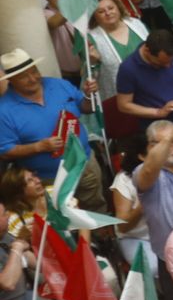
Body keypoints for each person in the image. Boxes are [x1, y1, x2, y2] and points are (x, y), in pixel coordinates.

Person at [0, 49, 104, 206]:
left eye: (34, 71)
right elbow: (5, 152)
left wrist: (89, 96)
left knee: (96, 208)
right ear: (11, 80)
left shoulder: (59, 85)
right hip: (48, 179)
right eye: (23, 77)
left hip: (85, 165)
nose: (32, 79)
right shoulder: (4, 111)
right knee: (59, 218)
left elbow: (86, 108)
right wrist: (38, 147)